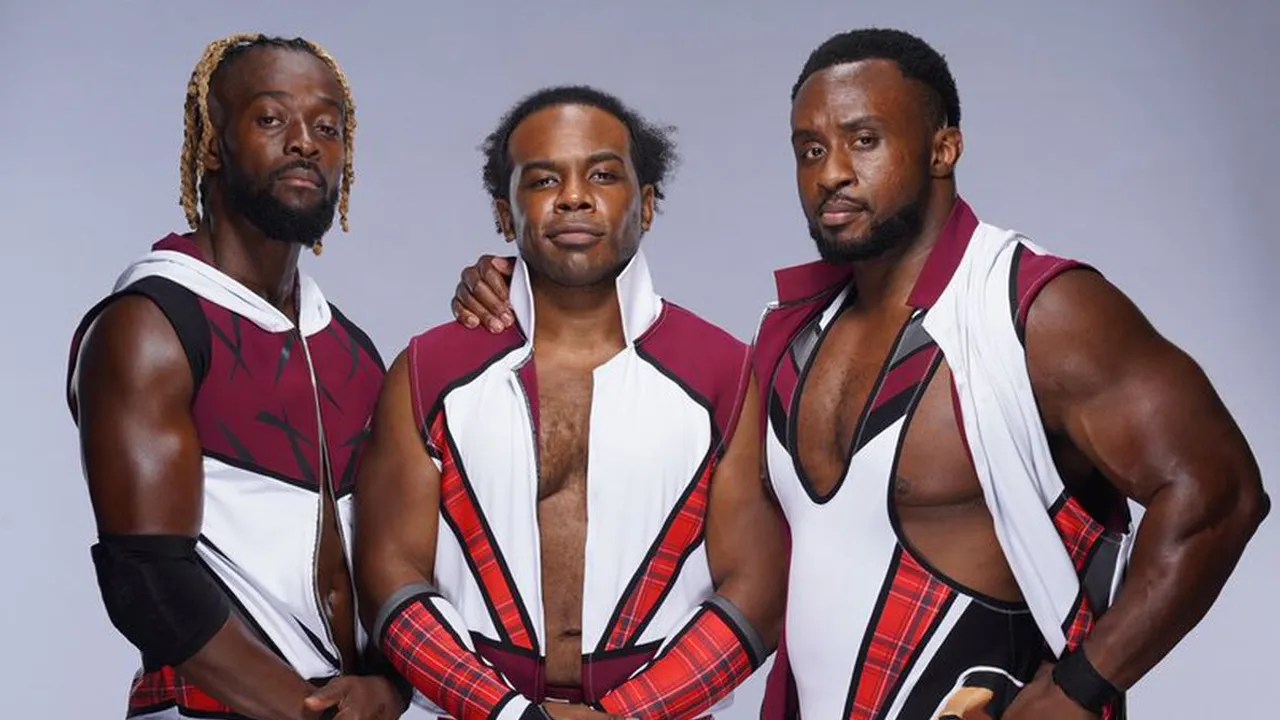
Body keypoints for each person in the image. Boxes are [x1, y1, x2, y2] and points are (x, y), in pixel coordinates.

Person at [448, 29, 1269, 720]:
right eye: (810, 150)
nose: (832, 172)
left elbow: (1220, 493)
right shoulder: (788, 336)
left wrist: (1082, 688)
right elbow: (707, 519)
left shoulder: (1036, 312)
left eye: (863, 140)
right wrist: (529, 284)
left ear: (944, 147)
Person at [353, 86, 787, 720]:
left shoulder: (725, 372)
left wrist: (624, 717)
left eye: (603, 175)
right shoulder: (428, 371)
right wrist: (508, 714)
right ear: (505, 215)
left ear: (647, 205)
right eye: (544, 179)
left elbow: (758, 591)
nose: (575, 196)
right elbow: (388, 574)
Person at [66, 33, 408, 720]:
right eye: (272, 118)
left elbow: (392, 553)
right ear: (214, 144)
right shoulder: (152, 323)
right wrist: (304, 711)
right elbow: (148, 582)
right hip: (212, 706)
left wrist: (390, 688)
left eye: (328, 128)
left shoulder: (348, 348)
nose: (305, 143)